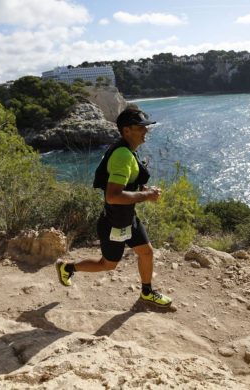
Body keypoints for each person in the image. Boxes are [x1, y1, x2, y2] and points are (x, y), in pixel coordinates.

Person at [55, 107, 172, 307]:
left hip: (128, 218)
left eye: (146, 127)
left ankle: (147, 292)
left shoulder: (128, 152)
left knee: (146, 252)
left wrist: (142, 188)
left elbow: (124, 183)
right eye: (141, 127)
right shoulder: (122, 156)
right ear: (127, 131)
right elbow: (113, 196)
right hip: (114, 224)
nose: (146, 131)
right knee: (107, 265)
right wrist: (146, 195)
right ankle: (68, 268)